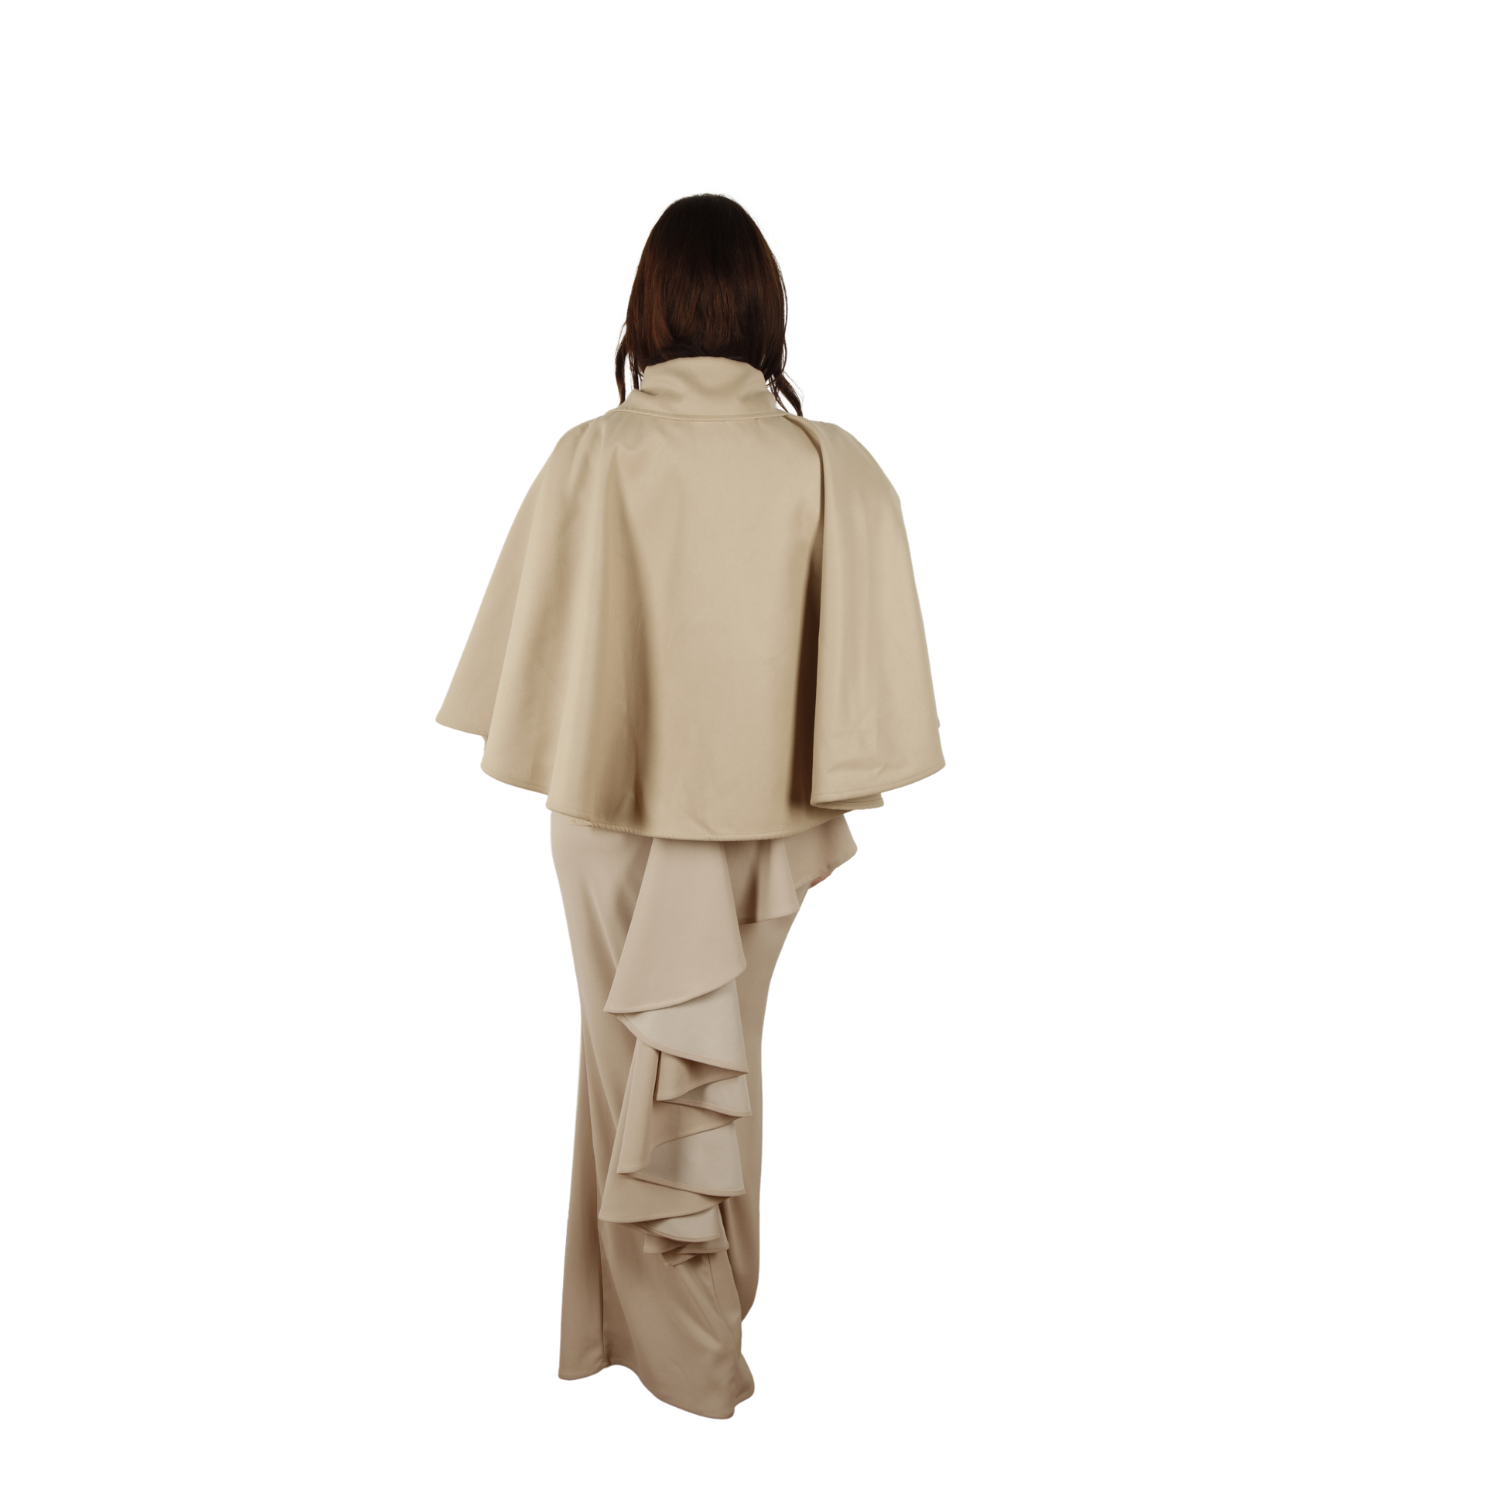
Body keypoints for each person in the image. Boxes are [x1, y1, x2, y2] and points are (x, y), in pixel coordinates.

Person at [437, 194, 943, 1418]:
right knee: (717, 1062)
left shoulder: (592, 457)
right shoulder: (829, 464)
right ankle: (677, 1336)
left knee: (628, 1072)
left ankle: (674, 1347)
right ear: (766, 308)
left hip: (607, 814)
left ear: (648, 309)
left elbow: (534, 666)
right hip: (765, 823)